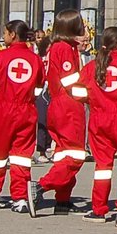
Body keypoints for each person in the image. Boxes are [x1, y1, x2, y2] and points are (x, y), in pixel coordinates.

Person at [0, 20, 45, 214]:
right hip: (27, 110)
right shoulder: (35, 59)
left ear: (12, 35)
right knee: (22, 156)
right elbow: (38, 88)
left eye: (6, 33)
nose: (4, 36)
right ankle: (19, 197)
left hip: (3, 109)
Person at [34, 11, 89, 216]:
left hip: (58, 104)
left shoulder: (59, 47)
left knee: (64, 154)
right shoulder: (64, 48)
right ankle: (40, 186)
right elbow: (69, 81)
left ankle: (63, 200)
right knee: (75, 156)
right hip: (68, 105)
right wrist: (90, 93)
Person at [83, 26, 117, 223]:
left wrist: (90, 98)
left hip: (98, 119)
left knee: (102, 167)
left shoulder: (93, 65)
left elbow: (73, 88)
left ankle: (98, 209)